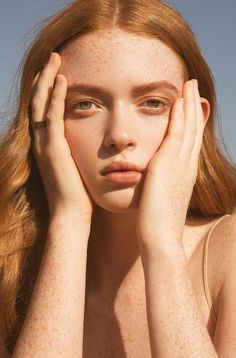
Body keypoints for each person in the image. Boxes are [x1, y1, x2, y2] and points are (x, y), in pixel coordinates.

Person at [0, 0, 236, 356]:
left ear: (195, 120)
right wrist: (69, 223)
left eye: (152, 102)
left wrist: (161, 244)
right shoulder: (9, 261)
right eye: (85, 104)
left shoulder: (227, 253)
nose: (119, 135)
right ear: (42, 117)